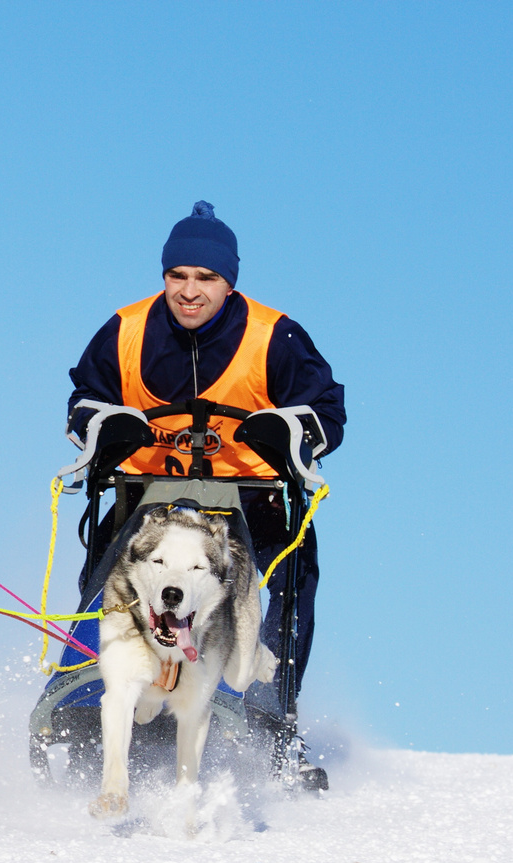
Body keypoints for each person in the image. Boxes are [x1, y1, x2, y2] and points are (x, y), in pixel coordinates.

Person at [67, 201, 345, 786]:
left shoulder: (275, 336)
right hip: (148, 495)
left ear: (229, 282)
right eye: (178, 276)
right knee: (109, 571)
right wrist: (104, 429)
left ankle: (272, 721)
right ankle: (89, 700)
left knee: (293, 575)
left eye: (206, 278)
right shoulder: (126, 330)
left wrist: (289, 435)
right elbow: (83, 399)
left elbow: (327, 410)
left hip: (251, 494)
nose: (189, 291)